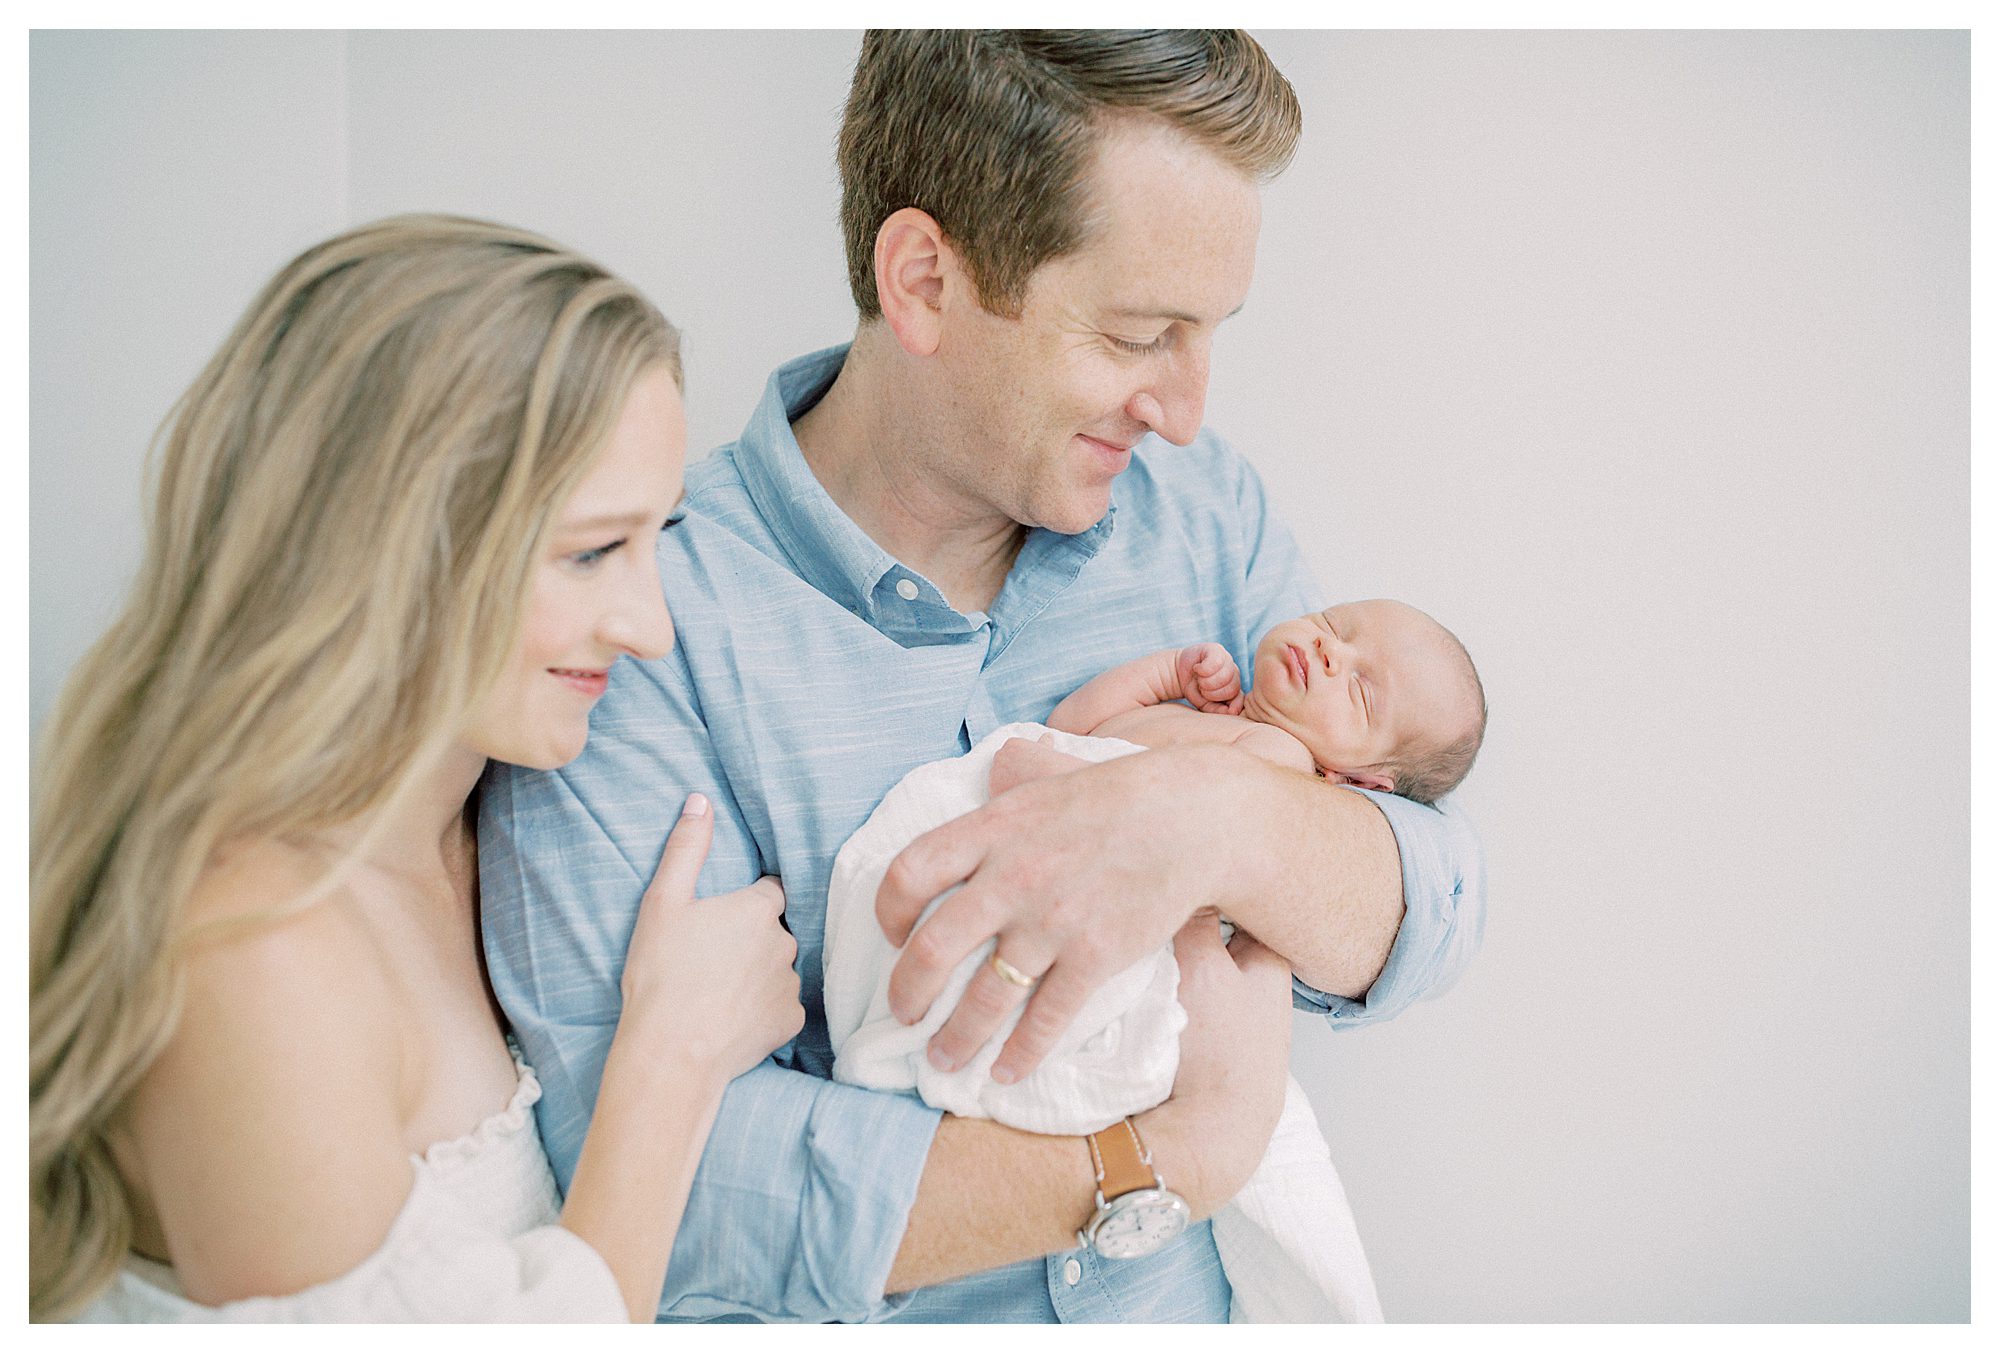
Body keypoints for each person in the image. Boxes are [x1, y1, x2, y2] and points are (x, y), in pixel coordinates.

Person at [482, 30, 1486, 1323]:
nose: (1184, 407)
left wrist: (1220, 820)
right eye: (1141, 332)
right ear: (925, 281)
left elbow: (1429, 887)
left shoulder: (1202, 518)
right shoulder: (633, 629)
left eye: (1209, 332)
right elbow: (658, 1192)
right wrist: (1162, 1158)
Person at [29, 215, 803, 1322]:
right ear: (389, 540)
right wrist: (670, 1062)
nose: (647, 627)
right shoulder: (250, 946)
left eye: (656, 539)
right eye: (589, 552)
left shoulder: (503, 812)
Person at [1044, 599, 1487, 802]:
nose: (1329, 650)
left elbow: (1169, 819)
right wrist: (1169, 673)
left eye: (1359, 690)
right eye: (1333, 624)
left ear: (1360, 781)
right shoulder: (1205, 719)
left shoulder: (1283, 765)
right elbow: (1065, 727)